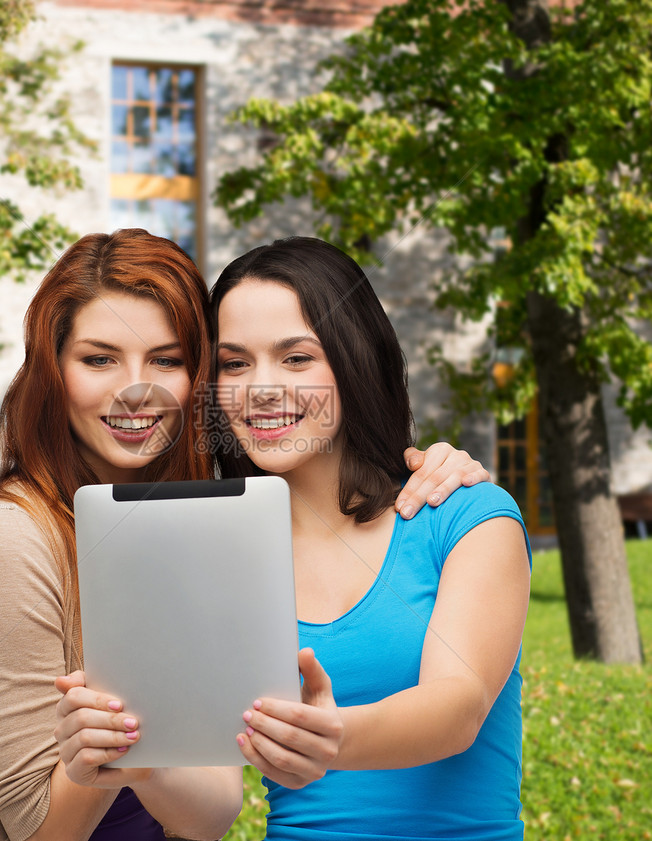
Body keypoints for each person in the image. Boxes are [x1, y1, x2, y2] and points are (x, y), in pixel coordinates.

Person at [0, 228, 489, 841]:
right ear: (53, 373)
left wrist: (146, 762)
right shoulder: (12, 542)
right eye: (98, 359)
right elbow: (40, 830)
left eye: (167, 360)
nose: (137, 390)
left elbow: (213, 813)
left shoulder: (194, 526)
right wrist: (102, 756)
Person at [206, 236, 531, 840]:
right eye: (234, 363)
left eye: (297, 358)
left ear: (353, 361)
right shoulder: (220, 561)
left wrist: (334, 738)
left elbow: (458, 705)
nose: (261, 388)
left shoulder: (463, 515)